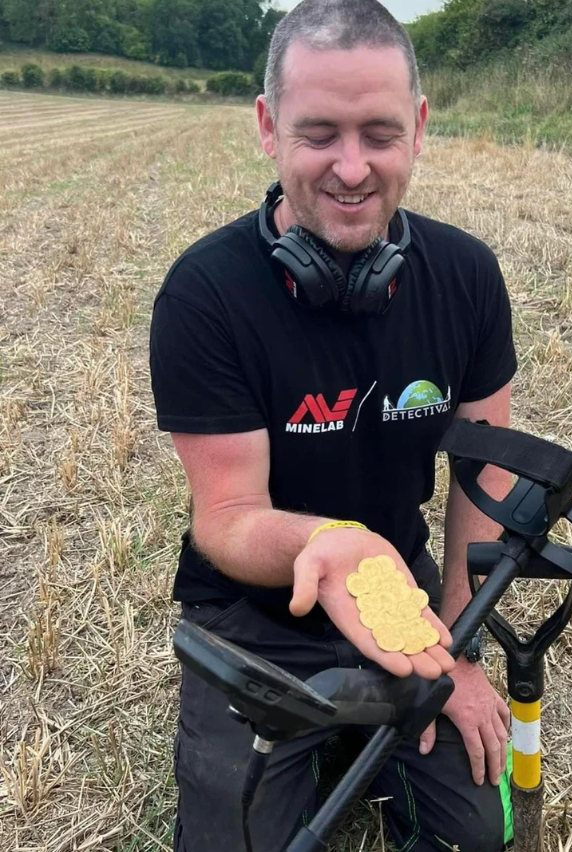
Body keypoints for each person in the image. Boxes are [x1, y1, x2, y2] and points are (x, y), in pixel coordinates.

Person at [148, 1, 516, 849]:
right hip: (251, 617)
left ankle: (360, 720)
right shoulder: (205, 297)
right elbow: (227, 519)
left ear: (418, 128)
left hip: (398, 596)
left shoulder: (466, 277)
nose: (352, 168)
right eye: (319, 135)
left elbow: (482, 480)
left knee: (475, 837)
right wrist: (325, 544)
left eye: (379, 134)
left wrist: (455, 647)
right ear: (268, 127)